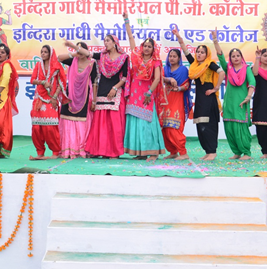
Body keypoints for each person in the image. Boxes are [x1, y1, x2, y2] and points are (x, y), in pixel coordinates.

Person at [75, 34, 129, 158]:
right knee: (101, 125)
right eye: (104, 41)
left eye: (108, 41)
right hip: (102, 91)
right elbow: (88, 53)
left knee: (114, 125)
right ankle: (99, 151)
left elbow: (125, 77)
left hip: (115, 93)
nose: (105, 43)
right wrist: (74, 47)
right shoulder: (102, 56)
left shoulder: (124, 58)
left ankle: (114, 152)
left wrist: (115, 88)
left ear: (114, 42)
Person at [122, 11, 167, 160]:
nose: (146, 48)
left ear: (153, 49)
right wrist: (126, 20)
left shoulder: (155, 62)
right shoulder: (136, 57)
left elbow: (157, 78)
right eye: (145, 46)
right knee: (135, 123)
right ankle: (140, 153)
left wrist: (149, 92)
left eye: (149, 46)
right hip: (134, 94)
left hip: (146, 94)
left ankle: (153, 152)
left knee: (148, 123)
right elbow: (130, 38)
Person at [175, 29, 224, 160]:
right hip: (200, 99)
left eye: (202, 52)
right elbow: (185, 51)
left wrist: (215, 88)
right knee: (200, 125)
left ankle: (212, 151)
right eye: (198, 52)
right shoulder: (195, 65)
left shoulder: (209, 64)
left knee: (209, 125)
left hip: (209, 99)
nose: (199, 54)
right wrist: (179, 37)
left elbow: (222, 73)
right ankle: (208, 151)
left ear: (206, 54)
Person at [212, 29, 256, 160]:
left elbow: (252, 82)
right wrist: (215, 40)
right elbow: (220, 56)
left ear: (241, 57)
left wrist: (248, 97)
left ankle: (246, 152)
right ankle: (236, 152)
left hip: (241, 101)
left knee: (240, 126)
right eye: (233, 56)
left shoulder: (246, 69)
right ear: (230, 58)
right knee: (229, 126)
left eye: (238, 55)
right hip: (229, 101)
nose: (235, 58)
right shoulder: (228, 69)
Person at [59, 41, 97, 159]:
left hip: (84, 96)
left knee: (82, 123)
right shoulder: (73, 61)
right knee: (67, 121)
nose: (79, 52)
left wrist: (94, 101)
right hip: (70, 95)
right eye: (77, 50)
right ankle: (68, 149)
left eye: (81, 50)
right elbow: (59, 58)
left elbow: (95, 83)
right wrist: (74, 54)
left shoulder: (92, 63)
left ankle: (81, 149)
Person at [29, 45, 67, 160]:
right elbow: (32, 80)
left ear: (50, 54)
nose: (43, 54)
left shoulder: (57, 66)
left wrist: (54, 97)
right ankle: (40, 152)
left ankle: (55, 152)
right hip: (39, 99)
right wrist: (43, 82)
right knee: (36, 128)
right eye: (42, 52)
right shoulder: (38, 65)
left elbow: (61, 84)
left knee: (50, 127)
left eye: (45, 52)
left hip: (51, 99)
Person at [160, 48, 192, 160]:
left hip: (178, 99)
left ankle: (183, 153)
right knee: (164, 127)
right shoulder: (165, 69)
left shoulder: (183, 70)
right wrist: (168, 79)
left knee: (173, 126)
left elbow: (187, 85)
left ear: (179, 58)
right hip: (166, 99)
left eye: (174, 56)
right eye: (170, 56)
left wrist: (178, 88)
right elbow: (159, 79)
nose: (172, 58)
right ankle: (173, 152)